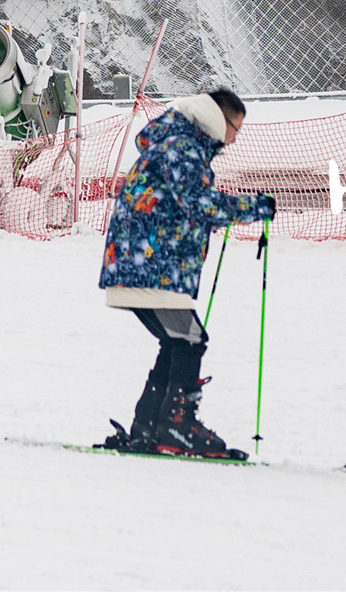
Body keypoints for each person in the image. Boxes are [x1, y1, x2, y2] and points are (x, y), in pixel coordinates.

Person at [96, 88, 275, 458]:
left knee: (180, 340)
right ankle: (176, 427)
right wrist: (256, 206)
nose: (233, 139)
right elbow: (201, 204)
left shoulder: (176, 143)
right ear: (216, 119)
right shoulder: (182, 146)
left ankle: (149, 425)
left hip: (143, 266)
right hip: (150, 268)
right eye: (234, 128)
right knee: (190, 339)